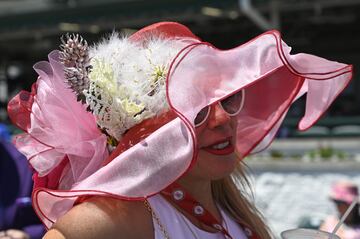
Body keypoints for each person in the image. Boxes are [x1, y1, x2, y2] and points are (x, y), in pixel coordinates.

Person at [7, 22, 353, 239]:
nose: (223, 119)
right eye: (196, 110)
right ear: (148, 131)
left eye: (229, 97)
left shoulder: (232, 211)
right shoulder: (113, 221)